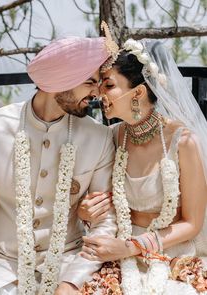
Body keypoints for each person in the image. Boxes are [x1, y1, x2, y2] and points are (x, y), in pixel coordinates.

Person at [0, 35, 118, 295]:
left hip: (69, 264)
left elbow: (104, 222)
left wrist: (72, 282)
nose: (96, 93)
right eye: (89, 82)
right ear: (60, 81)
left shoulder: (100, 137)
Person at [78, 38, 207, 294]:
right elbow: (97, 198)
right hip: (118, 244)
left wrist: (133, 246)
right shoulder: (112, 136)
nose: (100, 94)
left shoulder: (183, 142)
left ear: (137, 92)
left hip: (171, 249)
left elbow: (192, 223)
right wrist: (84, 211)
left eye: (109, 85)